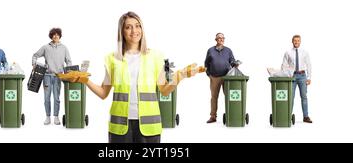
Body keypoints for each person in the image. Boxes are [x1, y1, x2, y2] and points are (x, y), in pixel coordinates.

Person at [68, 11, 202, 143]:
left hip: (149, 126)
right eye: (128, 27)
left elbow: (164, 90)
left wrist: (181, 75)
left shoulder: (155, 56)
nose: (134, 30)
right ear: (122, 32)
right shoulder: (112, 59)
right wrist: (85, 80)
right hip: (120, 126)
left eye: (137, 26)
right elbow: (103, 93)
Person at [32, 28, 72, 125]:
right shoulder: (46, 47)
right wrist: (34, 64)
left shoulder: (64, 48)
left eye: (57, 34)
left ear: (60, 36)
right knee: (47, 97)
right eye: (54, 34)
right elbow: (35, 55)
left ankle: (56, 117)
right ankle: (47, 117)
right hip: (47, 76)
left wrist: (69, 72)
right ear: (51, 36)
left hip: (59, 76)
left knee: (56, 98)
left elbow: (69, 61)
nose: (56, 36)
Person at [204, 33, 237, 123]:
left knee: (228, 96)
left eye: (223, 38)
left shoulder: (228, 50)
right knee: (214, 97)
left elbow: (232, 61)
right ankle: (213, 116)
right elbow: (206, 64)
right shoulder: (210, 50)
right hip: (214, 77)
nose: (221, 39)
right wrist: (208, 74)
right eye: (219, 38)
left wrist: (235, 64)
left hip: (227, 77)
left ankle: (230, 114)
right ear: (216, 39)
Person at [281, 35, 312, 123]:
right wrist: (287, 75)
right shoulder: (288, 52)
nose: (296, 42)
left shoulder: (305, 52)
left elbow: (309, 64)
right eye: (295, 40)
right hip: (292, 76)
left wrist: (309, 77)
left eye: (298, 41)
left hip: (302, 76)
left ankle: (306, 117)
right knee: (291, 97)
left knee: (304, 97)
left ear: (300, 41)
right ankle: (288, 116)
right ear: (292, 41)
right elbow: (284, 65)